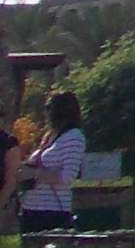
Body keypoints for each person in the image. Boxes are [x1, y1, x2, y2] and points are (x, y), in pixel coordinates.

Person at [19, 90, 86, 235]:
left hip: (52, 211)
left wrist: (34, 174)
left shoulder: (73, 137)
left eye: (49, 108)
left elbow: (68, 177)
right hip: (31, 208)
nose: (46, 113)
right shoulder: (49, 136)